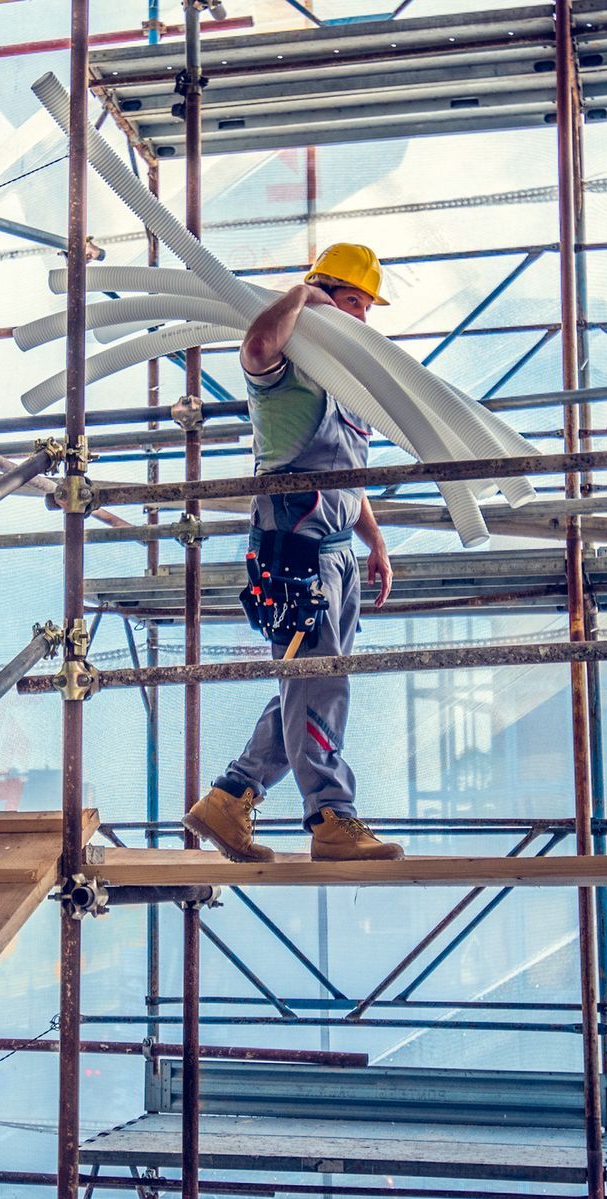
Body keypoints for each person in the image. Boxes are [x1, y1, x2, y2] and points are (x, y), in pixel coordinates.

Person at [181, 243, 405, 863]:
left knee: (306, 686)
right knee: (317, 684)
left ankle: (231, 797)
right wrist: (303, 297)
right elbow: (255, 348)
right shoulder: (289, 376)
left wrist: (375, 541)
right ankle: (331, 817)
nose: (361, 317)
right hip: (296, 554)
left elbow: (345, 474)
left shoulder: (344, 385)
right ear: (325, 292)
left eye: (366, 306)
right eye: (353, 301)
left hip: (337, 552)